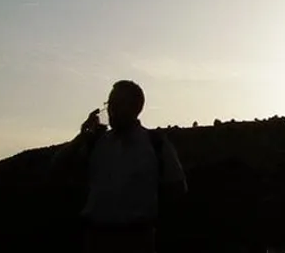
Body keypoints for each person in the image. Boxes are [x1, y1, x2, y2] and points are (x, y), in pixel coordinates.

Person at [51, 80, 187, 253]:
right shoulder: (96, 142)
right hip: (96, 238)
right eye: (110, 103)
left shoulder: (156, 143)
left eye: (117, 103)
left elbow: (177, 189)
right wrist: (81, 138)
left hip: (137, 240)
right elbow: (56, 168)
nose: (111, 109)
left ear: (135, 107)